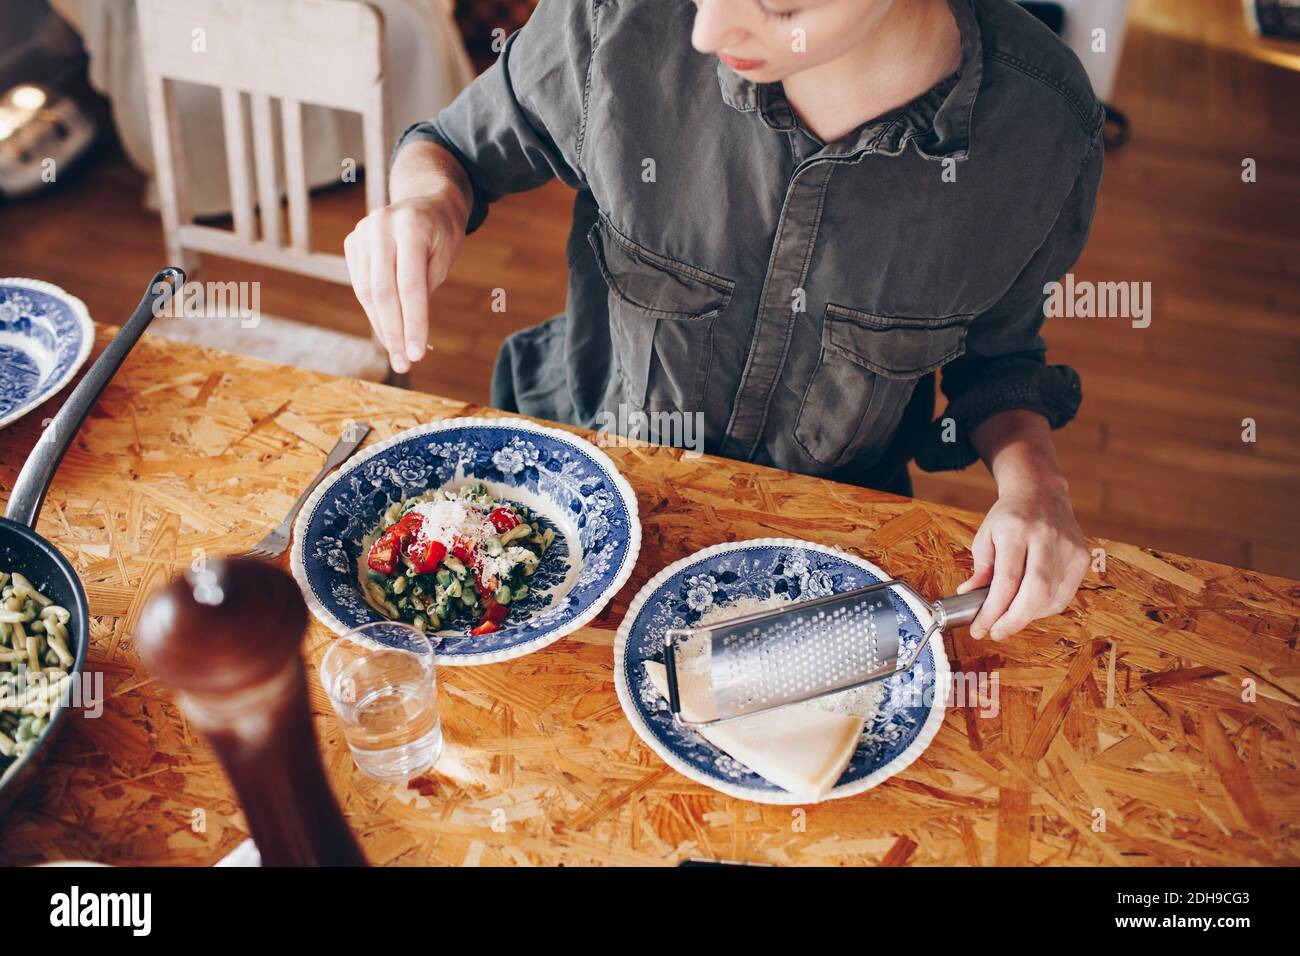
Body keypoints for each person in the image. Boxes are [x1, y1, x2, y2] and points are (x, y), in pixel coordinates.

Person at [343, 0, 1100, 641]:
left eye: (779, 3)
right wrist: (425, 205)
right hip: (576, 500)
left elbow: (998, 361)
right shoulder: (621, 19)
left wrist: (1034, 484)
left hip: (819, 551)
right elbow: (453, 149)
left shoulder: (1039, 131)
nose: (707, 33)